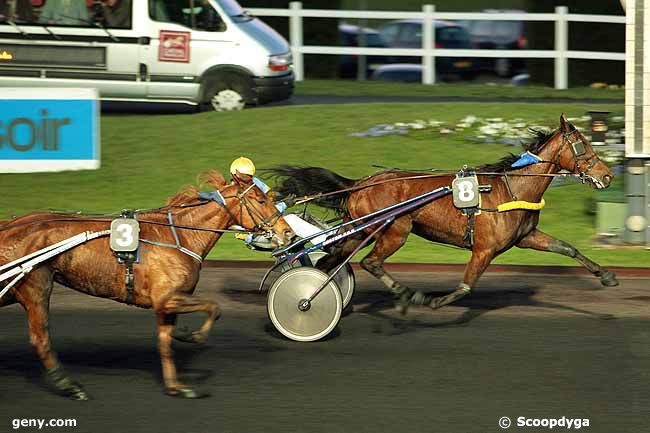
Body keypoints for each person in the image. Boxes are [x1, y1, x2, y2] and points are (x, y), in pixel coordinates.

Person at [228, 157, 326, 250]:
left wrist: (294, 195)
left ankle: (333, 235)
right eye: (246, 175)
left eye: (250, 175)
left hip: (272, 227)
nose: (249, 178)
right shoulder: (236, 195)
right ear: (235, 175)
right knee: (292, 219)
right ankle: (325, 242)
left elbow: (271, 194)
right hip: (258, 235)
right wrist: (285, 204)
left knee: (304, 215)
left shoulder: (253, 183)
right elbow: (264, 216)